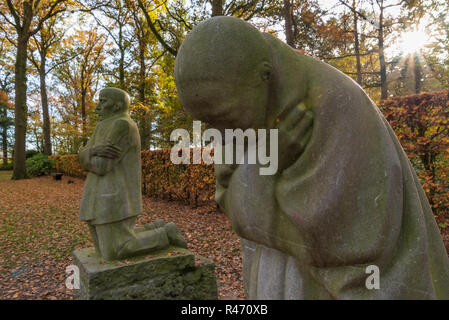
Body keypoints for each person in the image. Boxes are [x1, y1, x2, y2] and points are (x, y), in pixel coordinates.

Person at [174, 16, 449, 299]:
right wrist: (268, 160)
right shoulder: (239, 113)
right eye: (206, 121)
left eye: (223, 117)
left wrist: (258, 182)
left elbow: (347, 243)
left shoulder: (340, 105)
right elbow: (233, 202)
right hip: (276, 276)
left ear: (264, 77)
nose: (218, 134)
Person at [78, 87, 186, 261]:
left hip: (113, 196)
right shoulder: (102, 126)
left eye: (102, 101)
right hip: (96, 196)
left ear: (117, 105)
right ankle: (156, 227)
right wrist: (93, 150)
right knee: (107, 247)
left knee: (114, 250)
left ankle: (164, 234)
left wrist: (84, 152)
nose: (97, 107)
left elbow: (101, 166)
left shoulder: (122, 125)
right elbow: (85, 157)